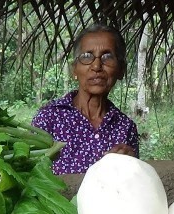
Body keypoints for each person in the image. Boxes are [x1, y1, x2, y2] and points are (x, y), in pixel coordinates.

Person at [32, 24, 140, 175]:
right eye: (87, 56)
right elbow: (31, 177)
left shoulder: (125, 127)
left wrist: (131, 162)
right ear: (74, 69)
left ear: (121, 70)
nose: (96, 66)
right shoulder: (49, 119)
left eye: (107, 56)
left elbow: (133, 184)